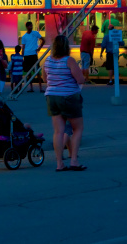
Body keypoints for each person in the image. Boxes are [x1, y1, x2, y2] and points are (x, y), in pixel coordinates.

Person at [43, 35, 86, 171]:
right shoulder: (69, 61)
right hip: (69, 97)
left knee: (58, 132)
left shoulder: (48, 60)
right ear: (66, 46)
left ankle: (59, 164)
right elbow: (80, 80)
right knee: (77, 128)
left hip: (52, 97)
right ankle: (74, 160)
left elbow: (45, 78)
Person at [20, 21, 45, 92]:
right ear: (27, 27)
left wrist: (39, 48)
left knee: (37, 71)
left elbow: (43, 40)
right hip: (27, 55)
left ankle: (40, 88)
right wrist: (23, 54)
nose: (31, 27)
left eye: (31, 26)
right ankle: (31, 88)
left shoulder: (35, 33)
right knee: (29, 72)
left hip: (33, 54)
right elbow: (23, 46)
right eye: (30, 26)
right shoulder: (24, 36)